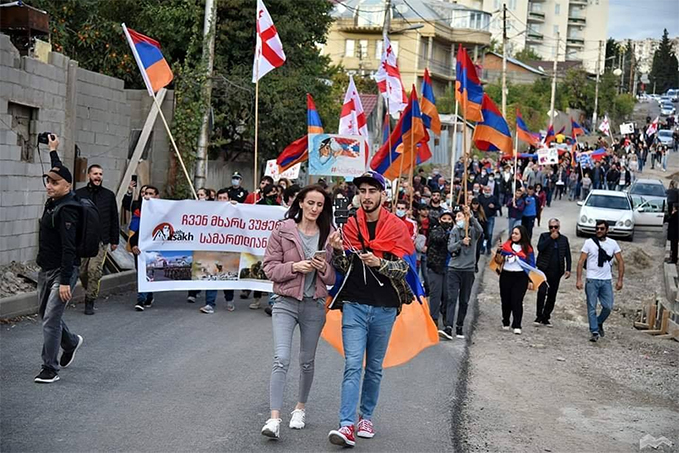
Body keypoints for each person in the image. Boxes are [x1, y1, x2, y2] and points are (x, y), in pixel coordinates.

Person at [326, 171, 413, 447]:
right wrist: (338, 251)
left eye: (371, 191)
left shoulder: (397, 227)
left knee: (374, 367)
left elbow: (405, 268)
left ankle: (367, 416)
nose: (366, 196)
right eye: (362, 191)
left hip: (385, 307)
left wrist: (380, 263)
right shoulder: (349, 226)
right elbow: (343, 267)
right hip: (354, 304)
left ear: (382, 195)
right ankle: (346, 425)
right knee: (353, 364)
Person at [260, 185, 336, 439]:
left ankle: (300, 409)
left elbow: (332, 278)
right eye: (311, 203)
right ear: (300, 203)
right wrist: (295, 266)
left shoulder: (329, 235)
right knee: (281, 358)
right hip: (285, 302)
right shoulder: (282, 230)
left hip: (314, 304)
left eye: (320, 205)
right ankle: (274, 419)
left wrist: (323, 267)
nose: (315, 209)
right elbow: (269, 268)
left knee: (307, 360)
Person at [34, 134, 84, 383]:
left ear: (67, 186)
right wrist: (53, 151)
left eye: (55, 183)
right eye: (48, 181)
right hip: (46, 268)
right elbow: (59, 171)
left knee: (50, 321)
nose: (49, 185)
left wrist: (65, 281)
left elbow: (69, 248)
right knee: (46, 316)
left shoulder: (68, 210)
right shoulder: (56, 200)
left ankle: (49, 368)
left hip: (63, 271)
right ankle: (71, 342)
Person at [75, 164, 120, 315]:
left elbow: (114, 218)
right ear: (89, 175)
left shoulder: (108, 195)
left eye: (100, 174)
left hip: (101, 240)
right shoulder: (78, 194)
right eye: (95, 173)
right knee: (82, 272)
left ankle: (90, 300)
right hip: (83, 240)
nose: (98, 176)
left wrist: (115, 240)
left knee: (94, 270)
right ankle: (89, 289)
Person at [576, 220, 624, 342]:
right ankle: (594, 331)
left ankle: (598, 322)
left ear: (607, 230)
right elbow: (581, 261)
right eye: (597, 228)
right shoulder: (589, 243)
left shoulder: (613, 243)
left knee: (608, 306)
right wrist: (579, 279)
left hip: (606, 280)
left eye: (602, 229)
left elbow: (620, 261)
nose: (599, 231)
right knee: (591, 306)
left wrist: (620, 280)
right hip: (592, 279)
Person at [439, 205, 482, 340]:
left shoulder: (473, 232)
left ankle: (459, 326)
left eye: (460, 216)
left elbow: (480, 230)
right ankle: (448, 326)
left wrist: (472, 217)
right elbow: (450, 247)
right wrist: (461, 242)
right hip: (454, 269)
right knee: (452, 298)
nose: (457, 219)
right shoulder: (454, 231)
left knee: (464, 300)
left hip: (468, 270)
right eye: (457, 216)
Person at [495, 225, 535, 334]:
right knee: (505, 300)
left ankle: (517, 324)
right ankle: (506, 321)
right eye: (513, 233)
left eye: (516, 233)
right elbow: (498, 261)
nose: (514, 235)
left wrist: (531, 280)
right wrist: (499, 251)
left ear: (522, 235)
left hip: (520, 277)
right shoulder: (506, 246)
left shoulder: (527, 249)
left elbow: (531, 265)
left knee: (517, 300)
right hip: (506, 275)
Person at [535, 219, 571, 327]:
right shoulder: (544, 236)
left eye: (555, 227)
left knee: (552, 295)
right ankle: (539, 315)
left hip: (556, 271)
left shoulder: (564, 239)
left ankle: (546, 317)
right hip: (543, 270)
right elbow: (540, 248)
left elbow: (567, 255)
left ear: (559, 227)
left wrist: (568, 269)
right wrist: (550, 238)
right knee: (541, 292)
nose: (553, 229)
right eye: (551, 227)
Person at [129, 186, 160, 311]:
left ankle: (142, 299)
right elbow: (136, 232)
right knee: (142, 273)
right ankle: (146, 296)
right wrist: (134, 245)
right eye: (145, 193)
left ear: (157, 196)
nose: (147, 196)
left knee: (150, 272)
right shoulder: (139, 211)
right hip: (141, 249)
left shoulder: (162, 212)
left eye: (151, 193)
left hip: (155, 248)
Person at [426, 211, 454, 327]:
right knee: (435, 294)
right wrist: (451, 235)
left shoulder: (455, 232)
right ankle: (434, 319)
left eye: (449, 219)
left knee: (447, 295)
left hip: (450, 267)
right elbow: (438, 238)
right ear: (439, 220)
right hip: (436, 267)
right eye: (444, 219)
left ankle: (447, 318)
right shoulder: (435, 231)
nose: (446, 221)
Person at [479, 185, 499, 255]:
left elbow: (498, 206)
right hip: (482, 218)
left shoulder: (494, 198)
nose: (487, 191)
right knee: (482, 234)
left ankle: (488, 247)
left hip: (490, 217)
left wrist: (494, 207)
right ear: (484, 190)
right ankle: (482, 248)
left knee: (489, 234)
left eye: (489, 190)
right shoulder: (480, 198)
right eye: (486, 190)